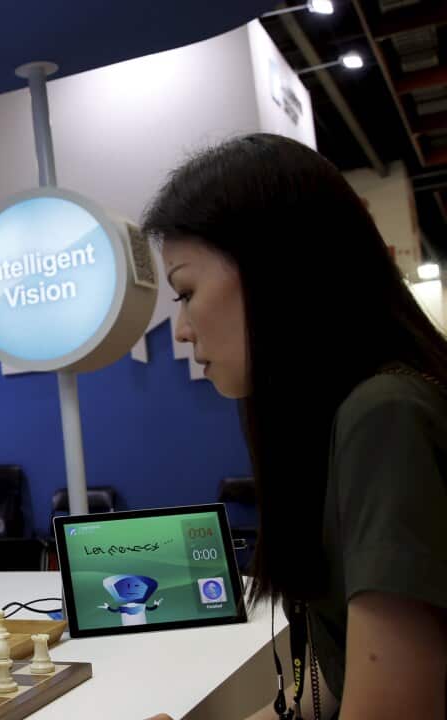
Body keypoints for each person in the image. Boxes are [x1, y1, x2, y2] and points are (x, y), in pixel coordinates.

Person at [140, 134, 447, 720]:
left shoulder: (385, 416)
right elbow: (335, 686)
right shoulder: (356, 415)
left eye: (186, 293)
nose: (181, 330)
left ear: (273, 272)